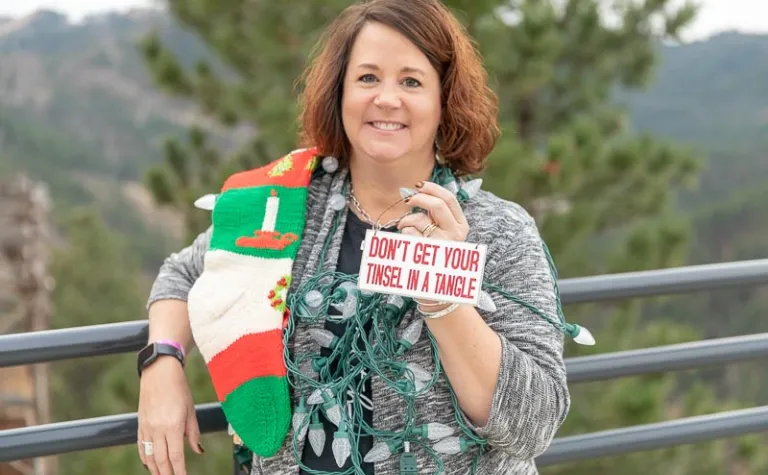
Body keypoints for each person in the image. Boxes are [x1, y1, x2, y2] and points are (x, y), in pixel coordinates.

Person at [136, 0, 586, 474]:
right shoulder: (286, 205)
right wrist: (161, 362)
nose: (387, 99)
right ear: (340, 93)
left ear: (443, 101)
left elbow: (533, 426)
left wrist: (444, 299)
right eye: (367, 78)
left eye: (411, 81)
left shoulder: (499, 230)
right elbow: (185, 273)